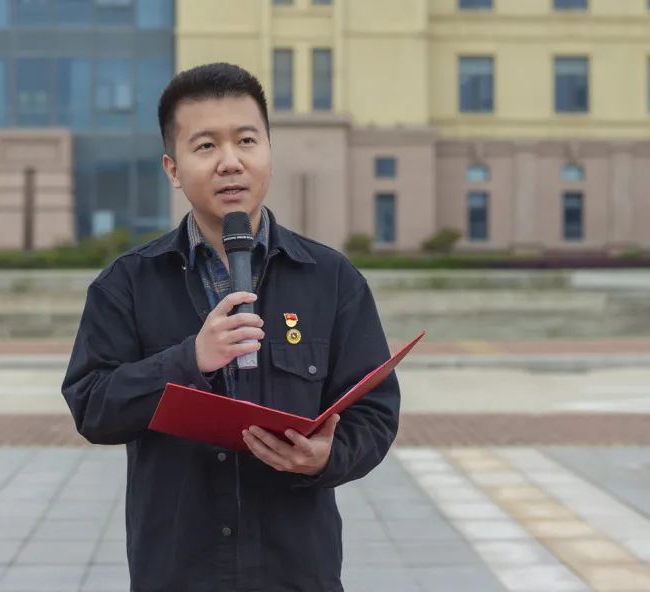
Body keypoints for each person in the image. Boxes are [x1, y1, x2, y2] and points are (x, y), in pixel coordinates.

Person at [62, 62, 401, 592]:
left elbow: (375, 413)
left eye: (246, 140)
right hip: (178, 573)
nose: (230, 162)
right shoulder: (126, 284)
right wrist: (189, 359)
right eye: (205, 146)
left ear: (268, 151)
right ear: (173, 169)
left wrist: (326, 457)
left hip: (295, 573)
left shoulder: (331, 278)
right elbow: (92, 407)